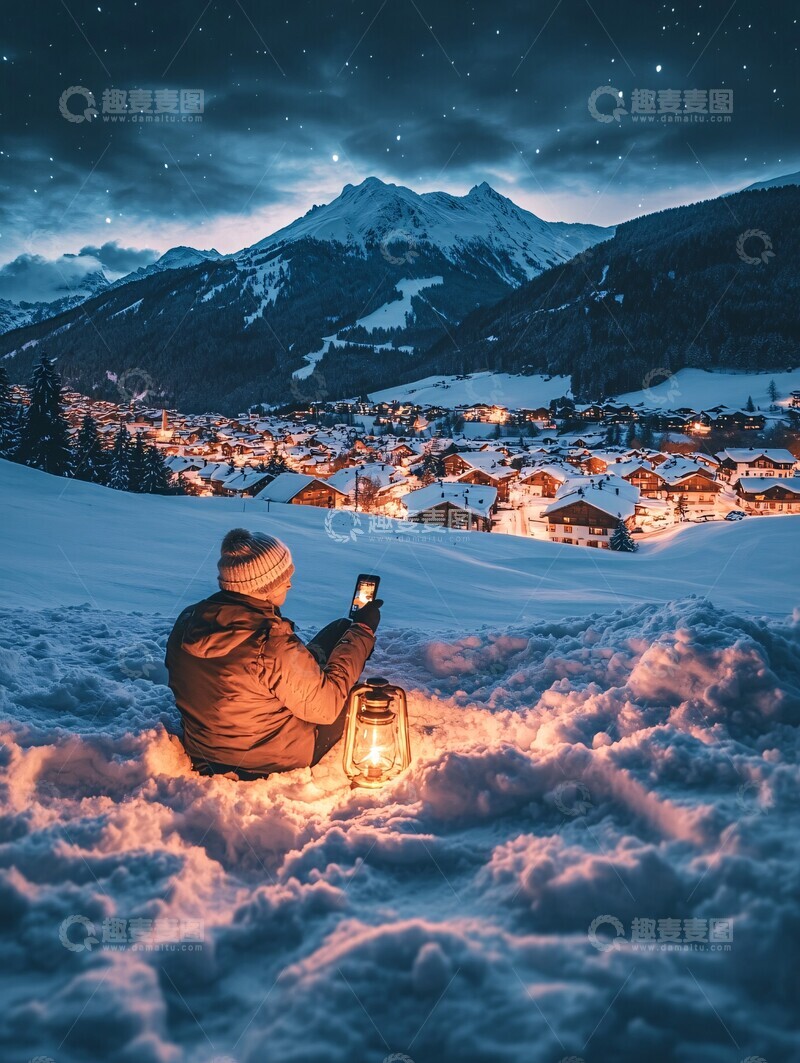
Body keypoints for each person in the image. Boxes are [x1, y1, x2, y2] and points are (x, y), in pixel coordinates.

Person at [165, 528, 382, 779]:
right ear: (263, 586)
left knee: (341, 628)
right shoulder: (270, 642)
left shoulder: (188, 619)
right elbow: (327, 708)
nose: (290, 582)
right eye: (283, 577)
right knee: (354, 694)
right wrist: (364, 631)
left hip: (206, 749)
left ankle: (344, 634)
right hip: (272, 758)